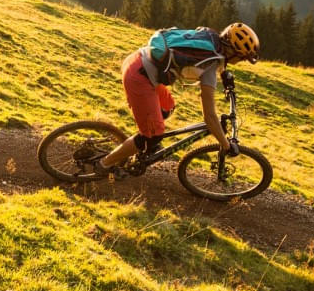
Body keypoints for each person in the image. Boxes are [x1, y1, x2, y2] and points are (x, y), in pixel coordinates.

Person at [95, 22, 260, 178]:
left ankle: (144, 140)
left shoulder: (211, 38)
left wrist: (227, 80)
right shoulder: (210, 63)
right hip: (139, 77)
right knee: (153, 136)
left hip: (139, 60)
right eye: (241, 57)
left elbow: (218, 65)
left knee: (168, 107)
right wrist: (225, 145)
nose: (241, 61)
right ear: (231, 51)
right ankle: (104, 164)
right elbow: (209, 117)